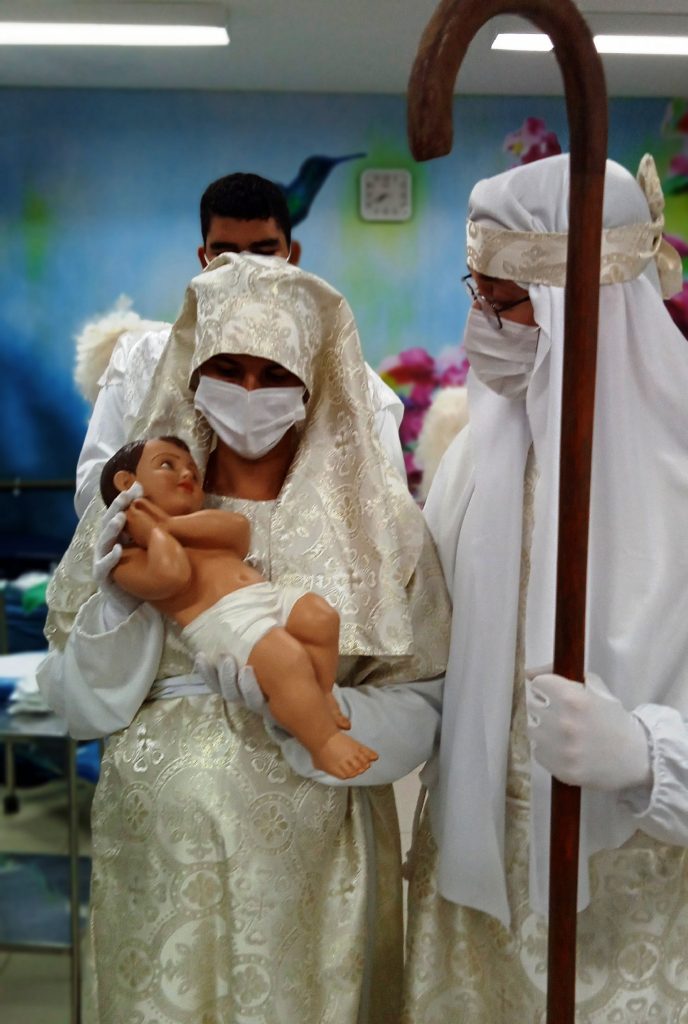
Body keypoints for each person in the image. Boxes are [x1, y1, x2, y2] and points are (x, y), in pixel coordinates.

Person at [402, 153, 688, 1022]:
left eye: (508, 302)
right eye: (477, 293)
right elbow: (433, 657)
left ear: (587, 307)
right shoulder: (474, 463)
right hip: (474, 914)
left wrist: (645, 754)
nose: (482, 325)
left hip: (640, 923)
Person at [39, 254, 450, 1023]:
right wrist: (117, 613)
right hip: (160, 846)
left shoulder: (381, 527)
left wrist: (319, 716)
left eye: (274, 373)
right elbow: (77, 701)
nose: (250, 392)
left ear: (312, 382)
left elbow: (427, 697)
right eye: (228, 369)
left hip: (314, 854)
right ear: (194, 375)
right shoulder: (129, 516)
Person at [74, 171, 405, 515]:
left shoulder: (348, 380)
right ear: (203, 260)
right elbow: (95, 489)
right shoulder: (141, 362)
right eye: (225, 255)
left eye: (264, 253)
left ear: (291, 257)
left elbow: (383, 507)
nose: (244, 270)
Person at [102, 434, 377, 779]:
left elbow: (238, 530)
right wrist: (152, 534)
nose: (186, 473)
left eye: (192, 470)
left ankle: (321, 696)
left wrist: (166, 525)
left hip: (262, 596)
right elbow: (174, 574)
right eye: (167, 465)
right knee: (286, 660)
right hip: (221, 620)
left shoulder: (195, 525)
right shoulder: (126, 559)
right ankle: (323, 744)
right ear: (127, 483)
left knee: (319, 617)